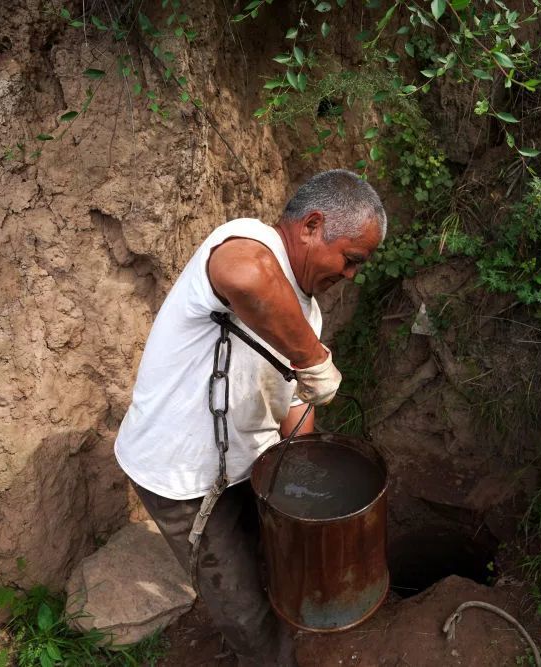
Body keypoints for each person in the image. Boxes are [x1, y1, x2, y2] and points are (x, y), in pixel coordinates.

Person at [114, 169, 386, 665]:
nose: (350, 276)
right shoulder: (246, 242)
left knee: (272, 564)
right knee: (240, 605)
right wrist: (314, 359)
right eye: (350, 260)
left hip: (250, 468)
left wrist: (308, 475)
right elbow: (246, 277)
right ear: (311, 226)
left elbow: (293, 403)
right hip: (183, 476)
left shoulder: (309, 314)